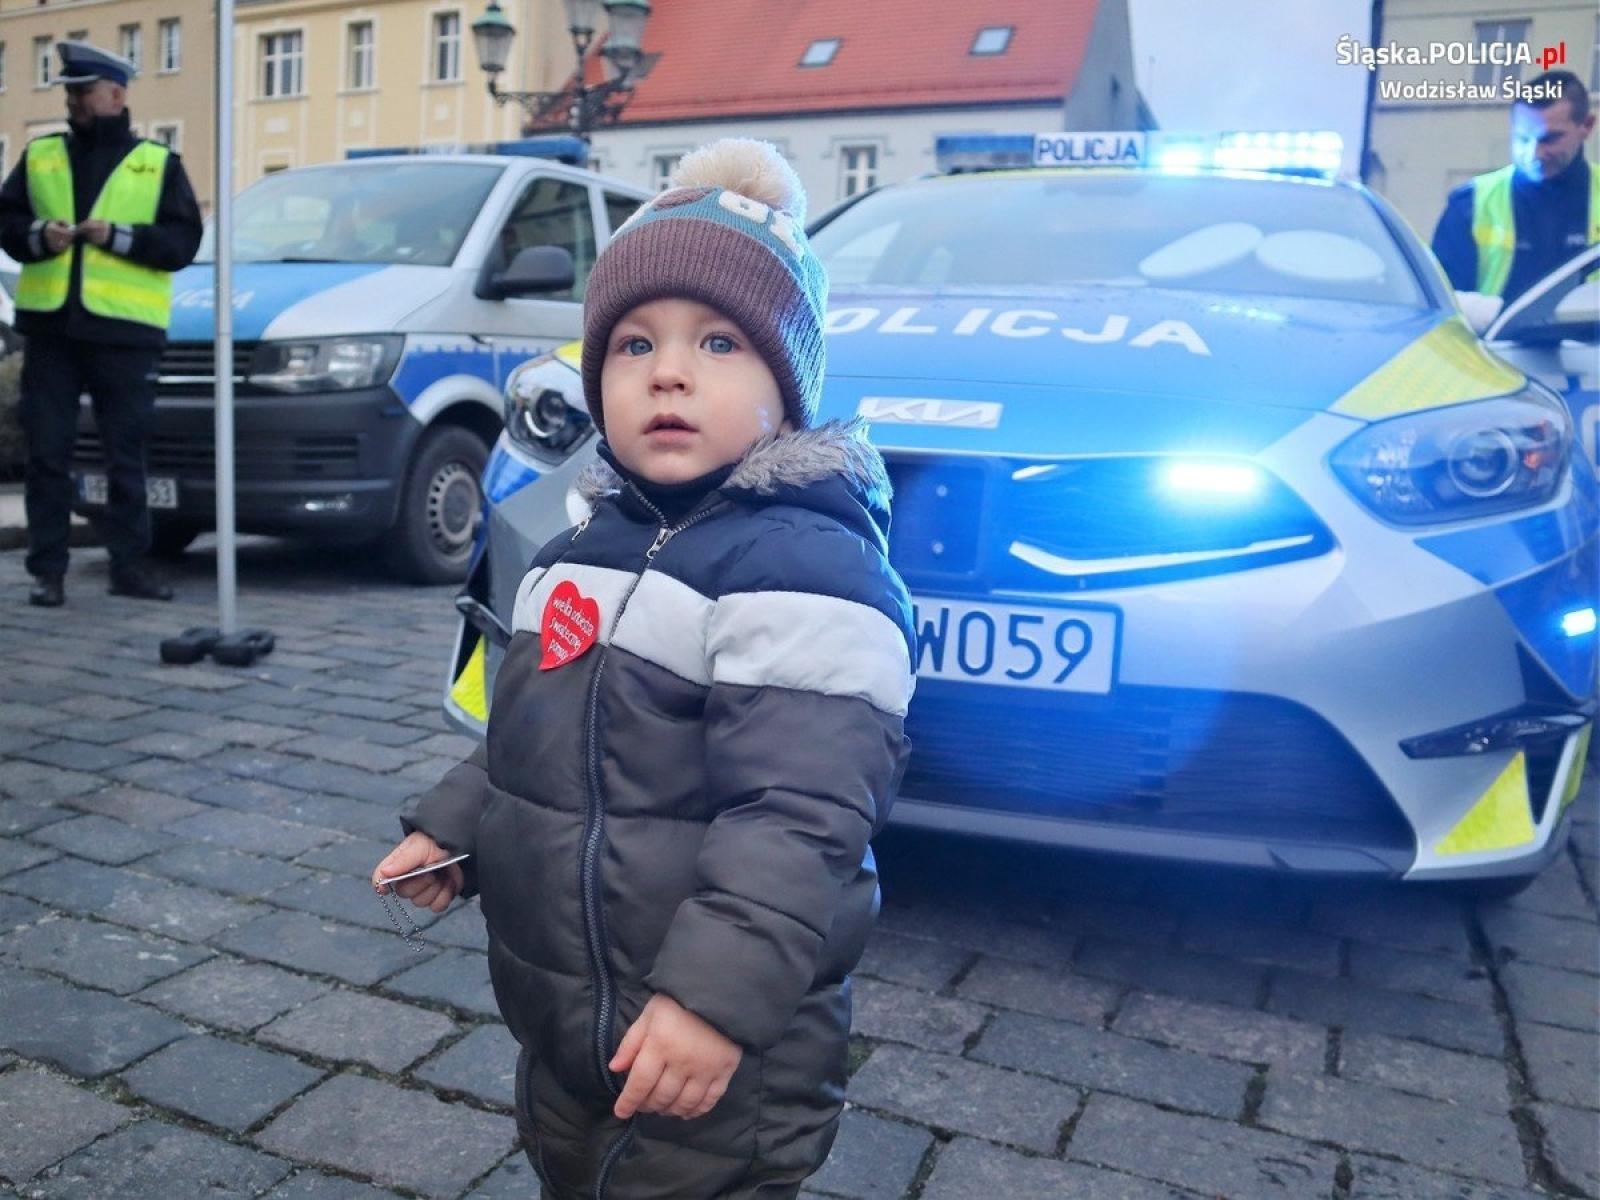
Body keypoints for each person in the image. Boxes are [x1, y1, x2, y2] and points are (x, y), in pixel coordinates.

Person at [374, 138, 914, 1199]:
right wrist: (458, 823)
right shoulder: (580, 552)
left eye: (718, 342)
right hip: (570, 1017)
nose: (667, 371)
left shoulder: (804, 567)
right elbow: (530, 736)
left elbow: (797, 820)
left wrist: (712, 1002)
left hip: (721, 1045)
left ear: (788, 385)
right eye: (631, 345)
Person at [0, 41, 203, 607]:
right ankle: (48, 572)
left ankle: (129, 566)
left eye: (84, 92)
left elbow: (182, 242)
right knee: (47, 455)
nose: (74, 102)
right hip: (53, 331)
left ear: (116, 94)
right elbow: (7, 221)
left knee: (127, 457)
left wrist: (118, 237)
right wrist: (40, 236)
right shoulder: (41, 154)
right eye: (69, 92)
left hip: (125, 335)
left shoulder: (157, 163)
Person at [1431, 69, 1598, 306]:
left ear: (1587, 126)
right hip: (1492, 342)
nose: (1534, 154)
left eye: (1550, 139)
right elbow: (1442, 303)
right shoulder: (1471, 203)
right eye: (1522, 139)